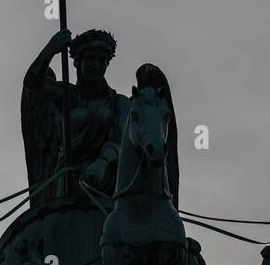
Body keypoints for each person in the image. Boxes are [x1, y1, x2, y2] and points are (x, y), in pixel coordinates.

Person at [21, 28, 179, 206]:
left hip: (108, 181)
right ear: (77, 62)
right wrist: (50, 49)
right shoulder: (66, 95)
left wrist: (102, 163)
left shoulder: (120, 103)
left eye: (102, 60)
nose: (96, 66)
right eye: (90, 58)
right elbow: (32, 83)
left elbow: (119, 141)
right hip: (69, 180)